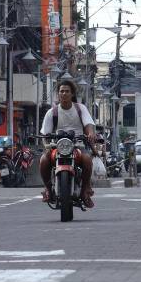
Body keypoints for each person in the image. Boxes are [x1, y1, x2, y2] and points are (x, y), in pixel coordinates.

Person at [39, 80, 97, 208]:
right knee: (43, 160)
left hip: (78, 145)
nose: (64, 93)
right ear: (58, 94)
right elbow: (45, 133)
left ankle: (84, 191)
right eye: (61, 91)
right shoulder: (51, 112)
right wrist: (46, 145)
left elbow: (88, 125)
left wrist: (91, 133)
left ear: (72, 94)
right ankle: (48, 189)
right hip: (57, 146)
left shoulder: (81, 108)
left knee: (87, 160)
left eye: (67, 91)